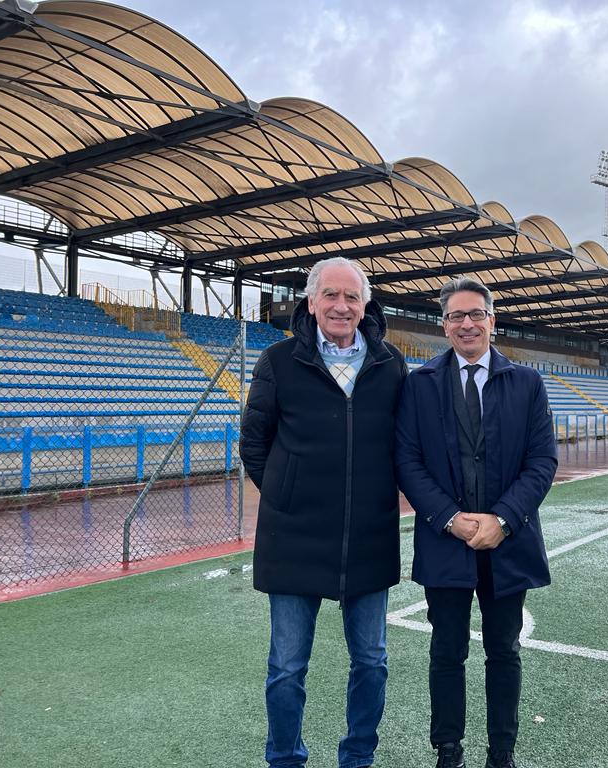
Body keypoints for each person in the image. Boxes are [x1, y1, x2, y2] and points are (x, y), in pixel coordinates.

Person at [240, 256, 408, 768]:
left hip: (369, 536)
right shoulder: (278, 360)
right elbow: (254, 443)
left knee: (373, 662)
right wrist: (288, 497)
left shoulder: (389, 363)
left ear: (365, 305)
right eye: (330, 296)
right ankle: (285, 758)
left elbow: (404, 444)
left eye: (351, 297)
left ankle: (358, 757)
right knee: (287, 667)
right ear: (310, 303)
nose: (341, 306)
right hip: (294, 538)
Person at [395, 276, 558, 768]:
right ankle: (448, 750)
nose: (466, 324)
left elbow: (541, 461)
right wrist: (449, 519)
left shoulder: (526, 383)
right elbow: (407, 460)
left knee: (503, 651)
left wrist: (504, 520)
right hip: (446, 540)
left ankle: (501, 752)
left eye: (475, 314)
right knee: (447, 651)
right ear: (444, 326)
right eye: (455, 316)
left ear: (492, 320)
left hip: (508, 543)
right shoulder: (419, 384)